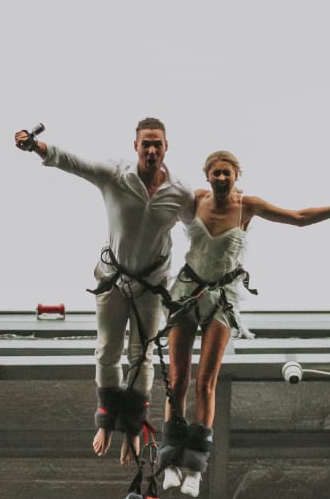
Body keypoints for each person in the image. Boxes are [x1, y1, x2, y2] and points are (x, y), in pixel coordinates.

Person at [160, 151, 330, 494]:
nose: (222, 179)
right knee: (177, 378)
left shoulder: (248, 206)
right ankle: (170, 460)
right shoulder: (196, 199)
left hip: (221, 298)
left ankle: (195, 466)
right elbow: (159, 210)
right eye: (216, 174)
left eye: (227, 173)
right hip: (186, 291)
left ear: (236, 176)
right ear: (207, 176)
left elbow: (299, 217)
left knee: (205, 382)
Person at [15, 119, 195, 459]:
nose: (152, 150)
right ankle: (106, 419)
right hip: (113, 278)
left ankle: (132, 428)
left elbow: (197, 228)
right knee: (108, 351)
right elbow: (73, 162)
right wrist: (35, 147)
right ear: (136, 147)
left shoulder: (180, 193)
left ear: (167, 147)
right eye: (146, 144)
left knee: (141, 357)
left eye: (158, 144)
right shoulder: (115, 174)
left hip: (152, 286)